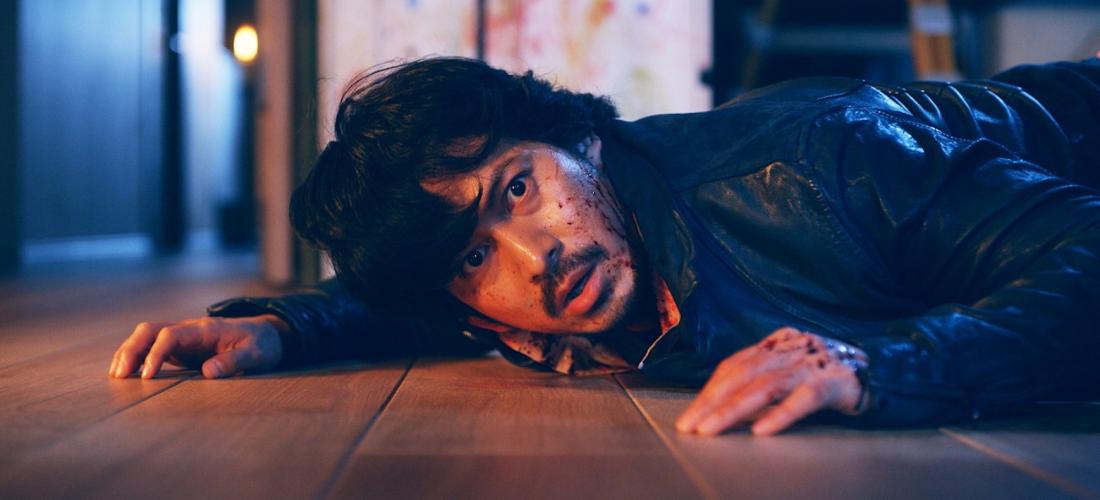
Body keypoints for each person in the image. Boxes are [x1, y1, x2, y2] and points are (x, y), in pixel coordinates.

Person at [108, 57, 1100, 436]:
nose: (533, 258)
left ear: (579, 139)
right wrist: (283, 327)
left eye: (518, 188)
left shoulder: (817, 165)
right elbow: (409, 300)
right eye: (472, 257)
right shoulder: (506, 300)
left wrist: (875, 365)